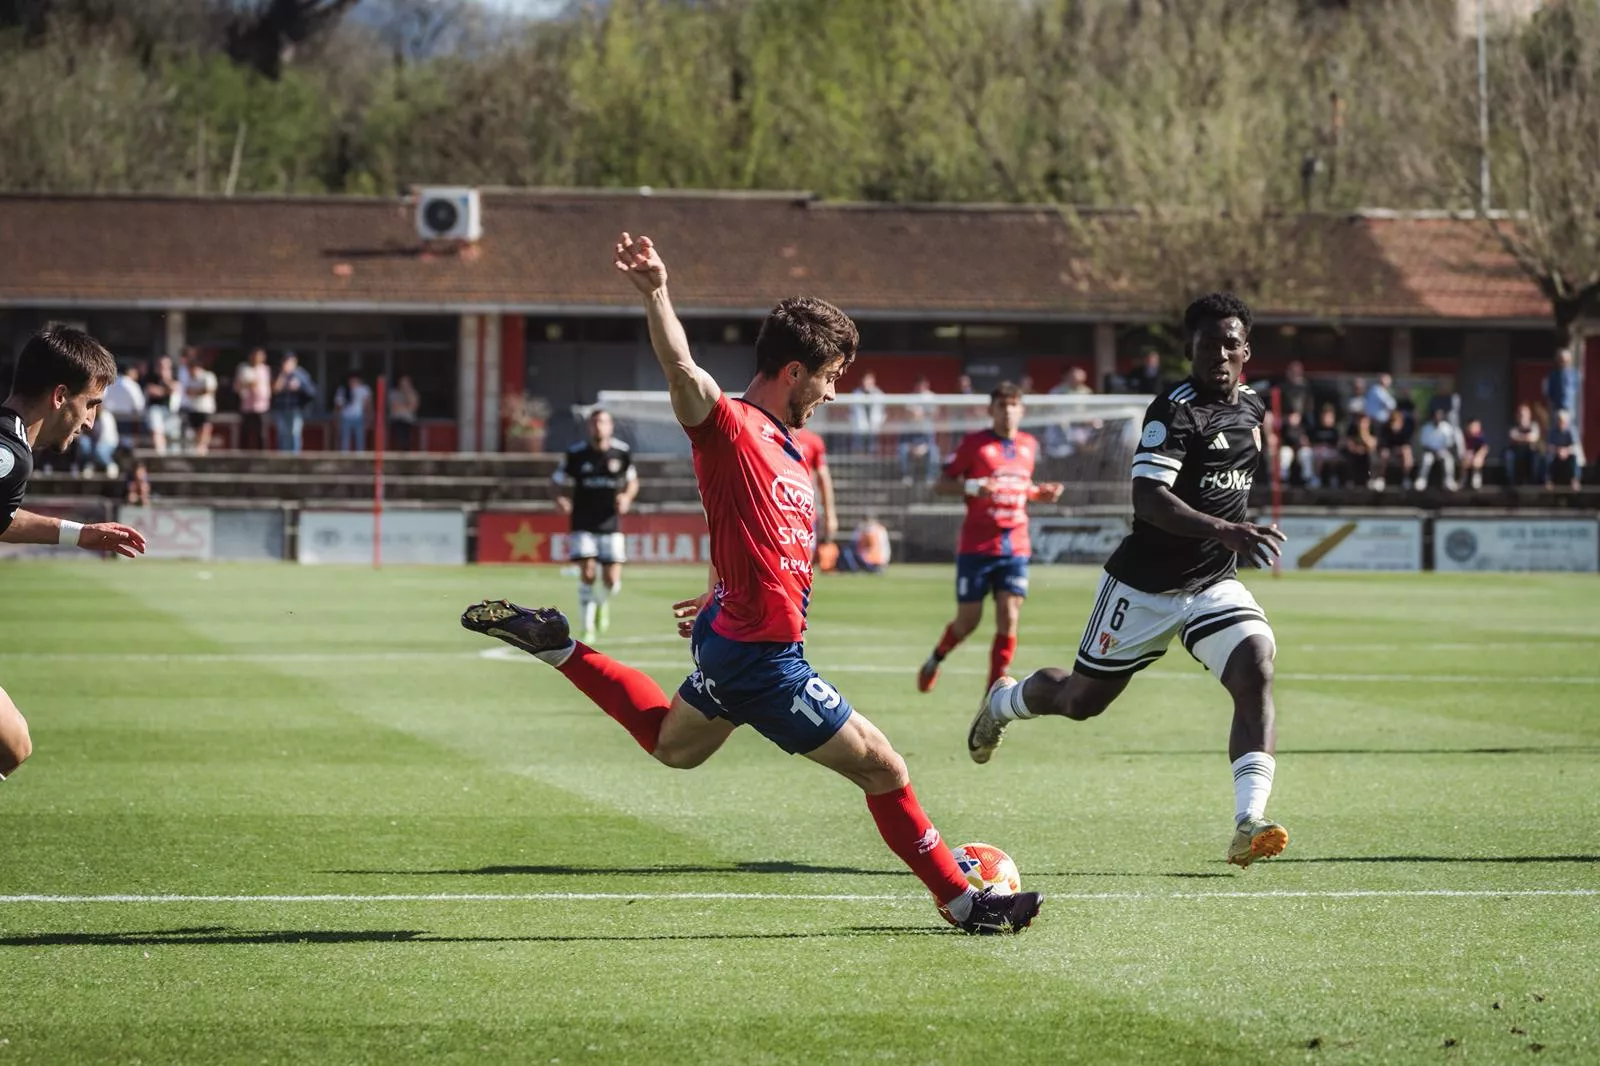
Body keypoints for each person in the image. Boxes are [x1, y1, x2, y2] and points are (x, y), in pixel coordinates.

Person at [461, 232, 1040, 935]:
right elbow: (682, 369)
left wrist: (718, 589)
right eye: (830, 376)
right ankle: (966, 903)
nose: (833, 392)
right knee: (885, 768)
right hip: (764, 659)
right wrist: (657, 292)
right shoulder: (730, 427)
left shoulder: (790, 449)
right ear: (794, 370)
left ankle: (560, 646)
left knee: (673, 746)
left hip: (731, 635)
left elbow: (742, 530)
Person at [964, 293, 1290, 870]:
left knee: (1256, 666)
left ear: (1246, 351)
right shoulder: (1173, 412)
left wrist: (1226, 535)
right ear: (1189, 349)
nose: (1219, 354)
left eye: (1230, 344)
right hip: (1142, 587)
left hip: (1212, 583)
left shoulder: (1252, 409)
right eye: (1208, 344)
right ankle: (1004, 702)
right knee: (1080, 702)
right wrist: (1225, 528)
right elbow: (1149, 499)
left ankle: (1249, 821)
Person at [0, 325, 148, 780]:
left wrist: (79, 535)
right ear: (61, 396)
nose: (91, 422)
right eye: (92, 404)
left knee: (12, 744)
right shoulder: (8, 454)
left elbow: (2, 518)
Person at [915, 382, 1064, 696]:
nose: (1008, 411)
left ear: (1021, 410)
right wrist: (972, 487)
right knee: (967, 622)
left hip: (1015, 545)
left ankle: (993, 693)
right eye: (1002, 406)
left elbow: (1019, 486)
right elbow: (941, 484)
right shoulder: (975, 444)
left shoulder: (1029, 444)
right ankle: (936, 658)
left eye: (1013, 405)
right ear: (991, 410)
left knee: (1009, 616)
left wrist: (1039, 493)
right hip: (977, 547)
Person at [552, 408, 640, 642]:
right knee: (588, 573)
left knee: (611, 581)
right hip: (583, 523)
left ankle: (602, 603)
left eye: (602, 422)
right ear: (589, 427)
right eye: (594, 423)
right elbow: (556, 480)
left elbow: (632, 482)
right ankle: (587, 627)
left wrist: (627, 497)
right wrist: (560, 498)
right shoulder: (576, 454)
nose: (598, 426)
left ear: (610, 426)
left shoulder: (621, 452)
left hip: (610, 523)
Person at [792, 424, 839, 555]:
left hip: (805, 510)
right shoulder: (771, 433)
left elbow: (823, 478)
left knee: (807, 555)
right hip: (779, 506)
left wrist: (830, 515)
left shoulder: (812, 440)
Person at [898, 375, 940, 485]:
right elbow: (904, 440)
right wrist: (912, 447)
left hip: (925, 443)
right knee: (902, 450)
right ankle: (907, 476)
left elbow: (930, 441)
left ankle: (930, 478)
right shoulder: (910, 398)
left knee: (934, 451)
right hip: (911, 442)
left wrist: (923, 447)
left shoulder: (931, 398)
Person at [271, 354, 317, 454]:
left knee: (295, 433)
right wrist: (282, 376)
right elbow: (274, 390)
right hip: (281, 408)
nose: (287, 364)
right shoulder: (279, 374)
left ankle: (295, 456)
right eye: (285, 362)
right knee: (282, 433)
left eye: (289, 362)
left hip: (296, 408)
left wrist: (299, 387)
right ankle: (282, 457)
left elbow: (312, 391)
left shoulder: (301, 374)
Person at [1414, 408, 1462, 491]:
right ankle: (1422, 480)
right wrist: (1434, 451)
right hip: (1429, 451)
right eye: (1436, 416)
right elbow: (1424, 444)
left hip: (1442, 451)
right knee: (1426, 459)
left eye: (1439, 416)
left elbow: (1449, 443)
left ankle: (1449, 481)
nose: (1438, 418)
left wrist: (1441, 450)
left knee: (1448, 460)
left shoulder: (1447, 427)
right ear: (1433, 417)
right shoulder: (1426, 428)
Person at [233, 348, 271, 450]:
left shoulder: (265, 369)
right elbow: (237, 386)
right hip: (247, 405)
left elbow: (266, 386)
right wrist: (248, 384)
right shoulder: (243, 368)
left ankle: (262, 453)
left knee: (261, 432)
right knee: (245, 431)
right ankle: (243, 452)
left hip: (261, 406)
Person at [181, 349, 218, 455]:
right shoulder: (188, 379)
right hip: (192, 409)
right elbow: (187, 391)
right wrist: (198, 391)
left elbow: (209, 390)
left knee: (205, 431)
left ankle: (202, 451)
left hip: (205, 409)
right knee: (193, 433)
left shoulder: (208, 376)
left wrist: (196, 391)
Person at [1374, 406, 1413, 491]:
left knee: (1407, 452)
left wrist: (1400, 449)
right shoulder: (1385, 429)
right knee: (1384, 454)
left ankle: (1406, 478)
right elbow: (1382, 444)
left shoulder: (1405, 430)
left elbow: (1407, 444)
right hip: (1389, 451)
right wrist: (1390, 449)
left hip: (1400, 451)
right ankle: (1381, 478)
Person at [1504, 404, 1543, 486]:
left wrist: (1520, 438)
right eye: (1521, 415)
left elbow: (1534, 438)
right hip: (1517, 453)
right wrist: (1526, 438)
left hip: (1530, 453)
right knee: (1508, 455)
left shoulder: (1534, 425)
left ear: (1529, 416)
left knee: (1537, 457)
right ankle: (1511, 484)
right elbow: (1512, 437)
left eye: (1525, 415)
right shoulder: (1513, 426)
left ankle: (1534, 484)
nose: (1523, 417)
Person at [1545, 409, 1584, 490]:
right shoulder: (1552, 431)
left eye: (1563, 421)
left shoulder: (1572, 430)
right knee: (1548, 458)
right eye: (1559, 420)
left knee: (1575, 457)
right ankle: (1549, 480)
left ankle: (1575, 480)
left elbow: (1576, 446)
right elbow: (1548, 446)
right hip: (1556, 455)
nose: (1561, 423)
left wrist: (1565, 451)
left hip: (1568, 455)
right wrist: (1558, 450)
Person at [334, 373, 371, 452]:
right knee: (345, 440)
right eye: (351, 380)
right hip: (345, 417)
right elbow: (338, 406)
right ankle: (344, 456)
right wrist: (337, 419)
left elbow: (367, 405)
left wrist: (368, 419)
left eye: (355, 380)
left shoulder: (363, 389)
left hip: (359, 417)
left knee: (360, 440)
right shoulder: (342, 390)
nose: (353, 382)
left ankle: (360, 456)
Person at [1308, 404, 1342, 487]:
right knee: (1317, 457)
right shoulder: (1316, 430)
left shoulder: (1335, 431)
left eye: (1330, 417)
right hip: (1318, 453)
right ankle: (1316, 478)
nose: (1327, 419)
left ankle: (1334, 477)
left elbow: (1339, 444)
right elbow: (1311, 443)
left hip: (1331, 452)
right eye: (1325, 417)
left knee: (1334, 457)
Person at [1341, 413, 1377, 488]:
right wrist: (1359, 449)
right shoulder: (1352, 430)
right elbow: (1350, 446)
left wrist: (1364, 435)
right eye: (1361, 422)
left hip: (1366, 454)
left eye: (1365, 422)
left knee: (1371, 456)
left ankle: (1371, 479)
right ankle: (1350, 480)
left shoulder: (1373, 429)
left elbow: (1372, 445)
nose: (1362, 425)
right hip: (1354, 453)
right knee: (1349, 456)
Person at [389, 375, 420, 452]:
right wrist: (406, 407)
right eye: (402, 383)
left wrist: (407, 394)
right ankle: (398, 451)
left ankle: (407, 451)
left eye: (406, 383)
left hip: (409, 421)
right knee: (398, 436)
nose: (404, 385)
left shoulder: (413, 393)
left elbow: (413, 407)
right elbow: (394, 407)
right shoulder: (394, 393)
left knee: (407, 437)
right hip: (397, 419)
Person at [1545, 348, 1578, 418]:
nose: (1564, 363)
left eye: (1566, 361)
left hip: (1569, 407)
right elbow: (1550, 391)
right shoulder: (1553, 375)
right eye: (1562, 360)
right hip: (1557, 407)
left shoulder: (1574, 374)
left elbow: (1576, 389)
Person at [1460, 418, 1489, 490]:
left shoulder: (1480, 437)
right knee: (1465, 460)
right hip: (1466, 456)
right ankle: (1463, 479)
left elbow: (1484, 448)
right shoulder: (1463, 436)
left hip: (1478, 456)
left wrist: (1478, 455)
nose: (1476, 428)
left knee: (1477, 461)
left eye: (1478, 426)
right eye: (1474, 426)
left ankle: (1476, 478)